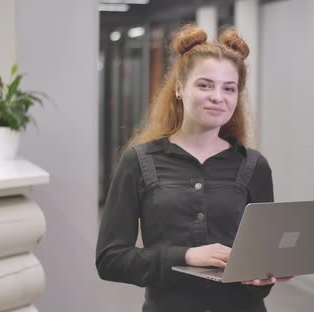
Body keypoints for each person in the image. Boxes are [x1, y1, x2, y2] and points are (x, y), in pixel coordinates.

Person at [96, 24, 291, 312]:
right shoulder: (139, 161)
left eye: (229, 88)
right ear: (178, 88)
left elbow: (262, 264)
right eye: (205, 84)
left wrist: (266, 275)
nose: (218, 97)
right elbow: (110, 259)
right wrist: (185, 256)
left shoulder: (254, 165)